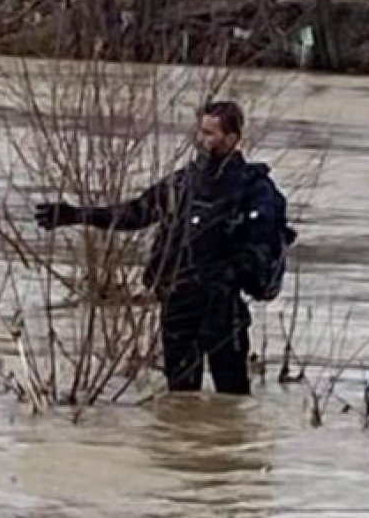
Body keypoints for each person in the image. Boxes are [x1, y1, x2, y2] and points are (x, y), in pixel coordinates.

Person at [34, 100, 294, 395]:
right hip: (178, 302)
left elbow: (264, 244)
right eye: (201, 132)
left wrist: (233, 273)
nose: (201, 140)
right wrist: (75, 215)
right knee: (181, 398)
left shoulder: (254, 188)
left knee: (232, 398)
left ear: (231, 139)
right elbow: (134, 214)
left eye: (210, 133)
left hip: (222, 306)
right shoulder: (183, 183)